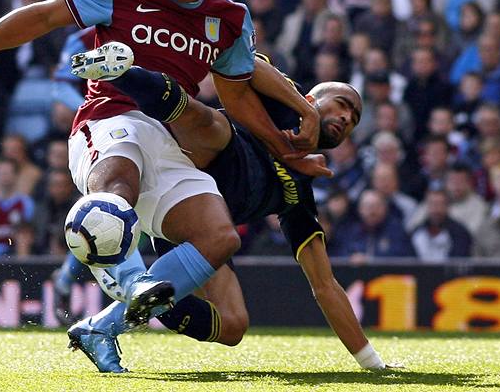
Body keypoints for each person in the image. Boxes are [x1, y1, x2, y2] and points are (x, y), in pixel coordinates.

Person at [0, 0, 322, 368]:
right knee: (120, 184)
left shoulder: (227, 18)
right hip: (107, 119)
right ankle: (131, 281)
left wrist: (283, 146)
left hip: (170, 143)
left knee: (220, 237)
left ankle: (102, 326)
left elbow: (237, 98)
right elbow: (41, 17)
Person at [62, 54, 391, 372]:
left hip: (195, 228)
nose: (348, 118)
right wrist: (304, 110)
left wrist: (372, 363)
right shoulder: (284, 101)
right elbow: (246, 62)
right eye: (342, 104)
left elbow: (325, 285)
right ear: (309, 97)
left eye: (355, 119)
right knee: (216, 127)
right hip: (177, 163)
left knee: (233, 326)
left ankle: (104, 325)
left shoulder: (300, 193)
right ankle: (122, 73)